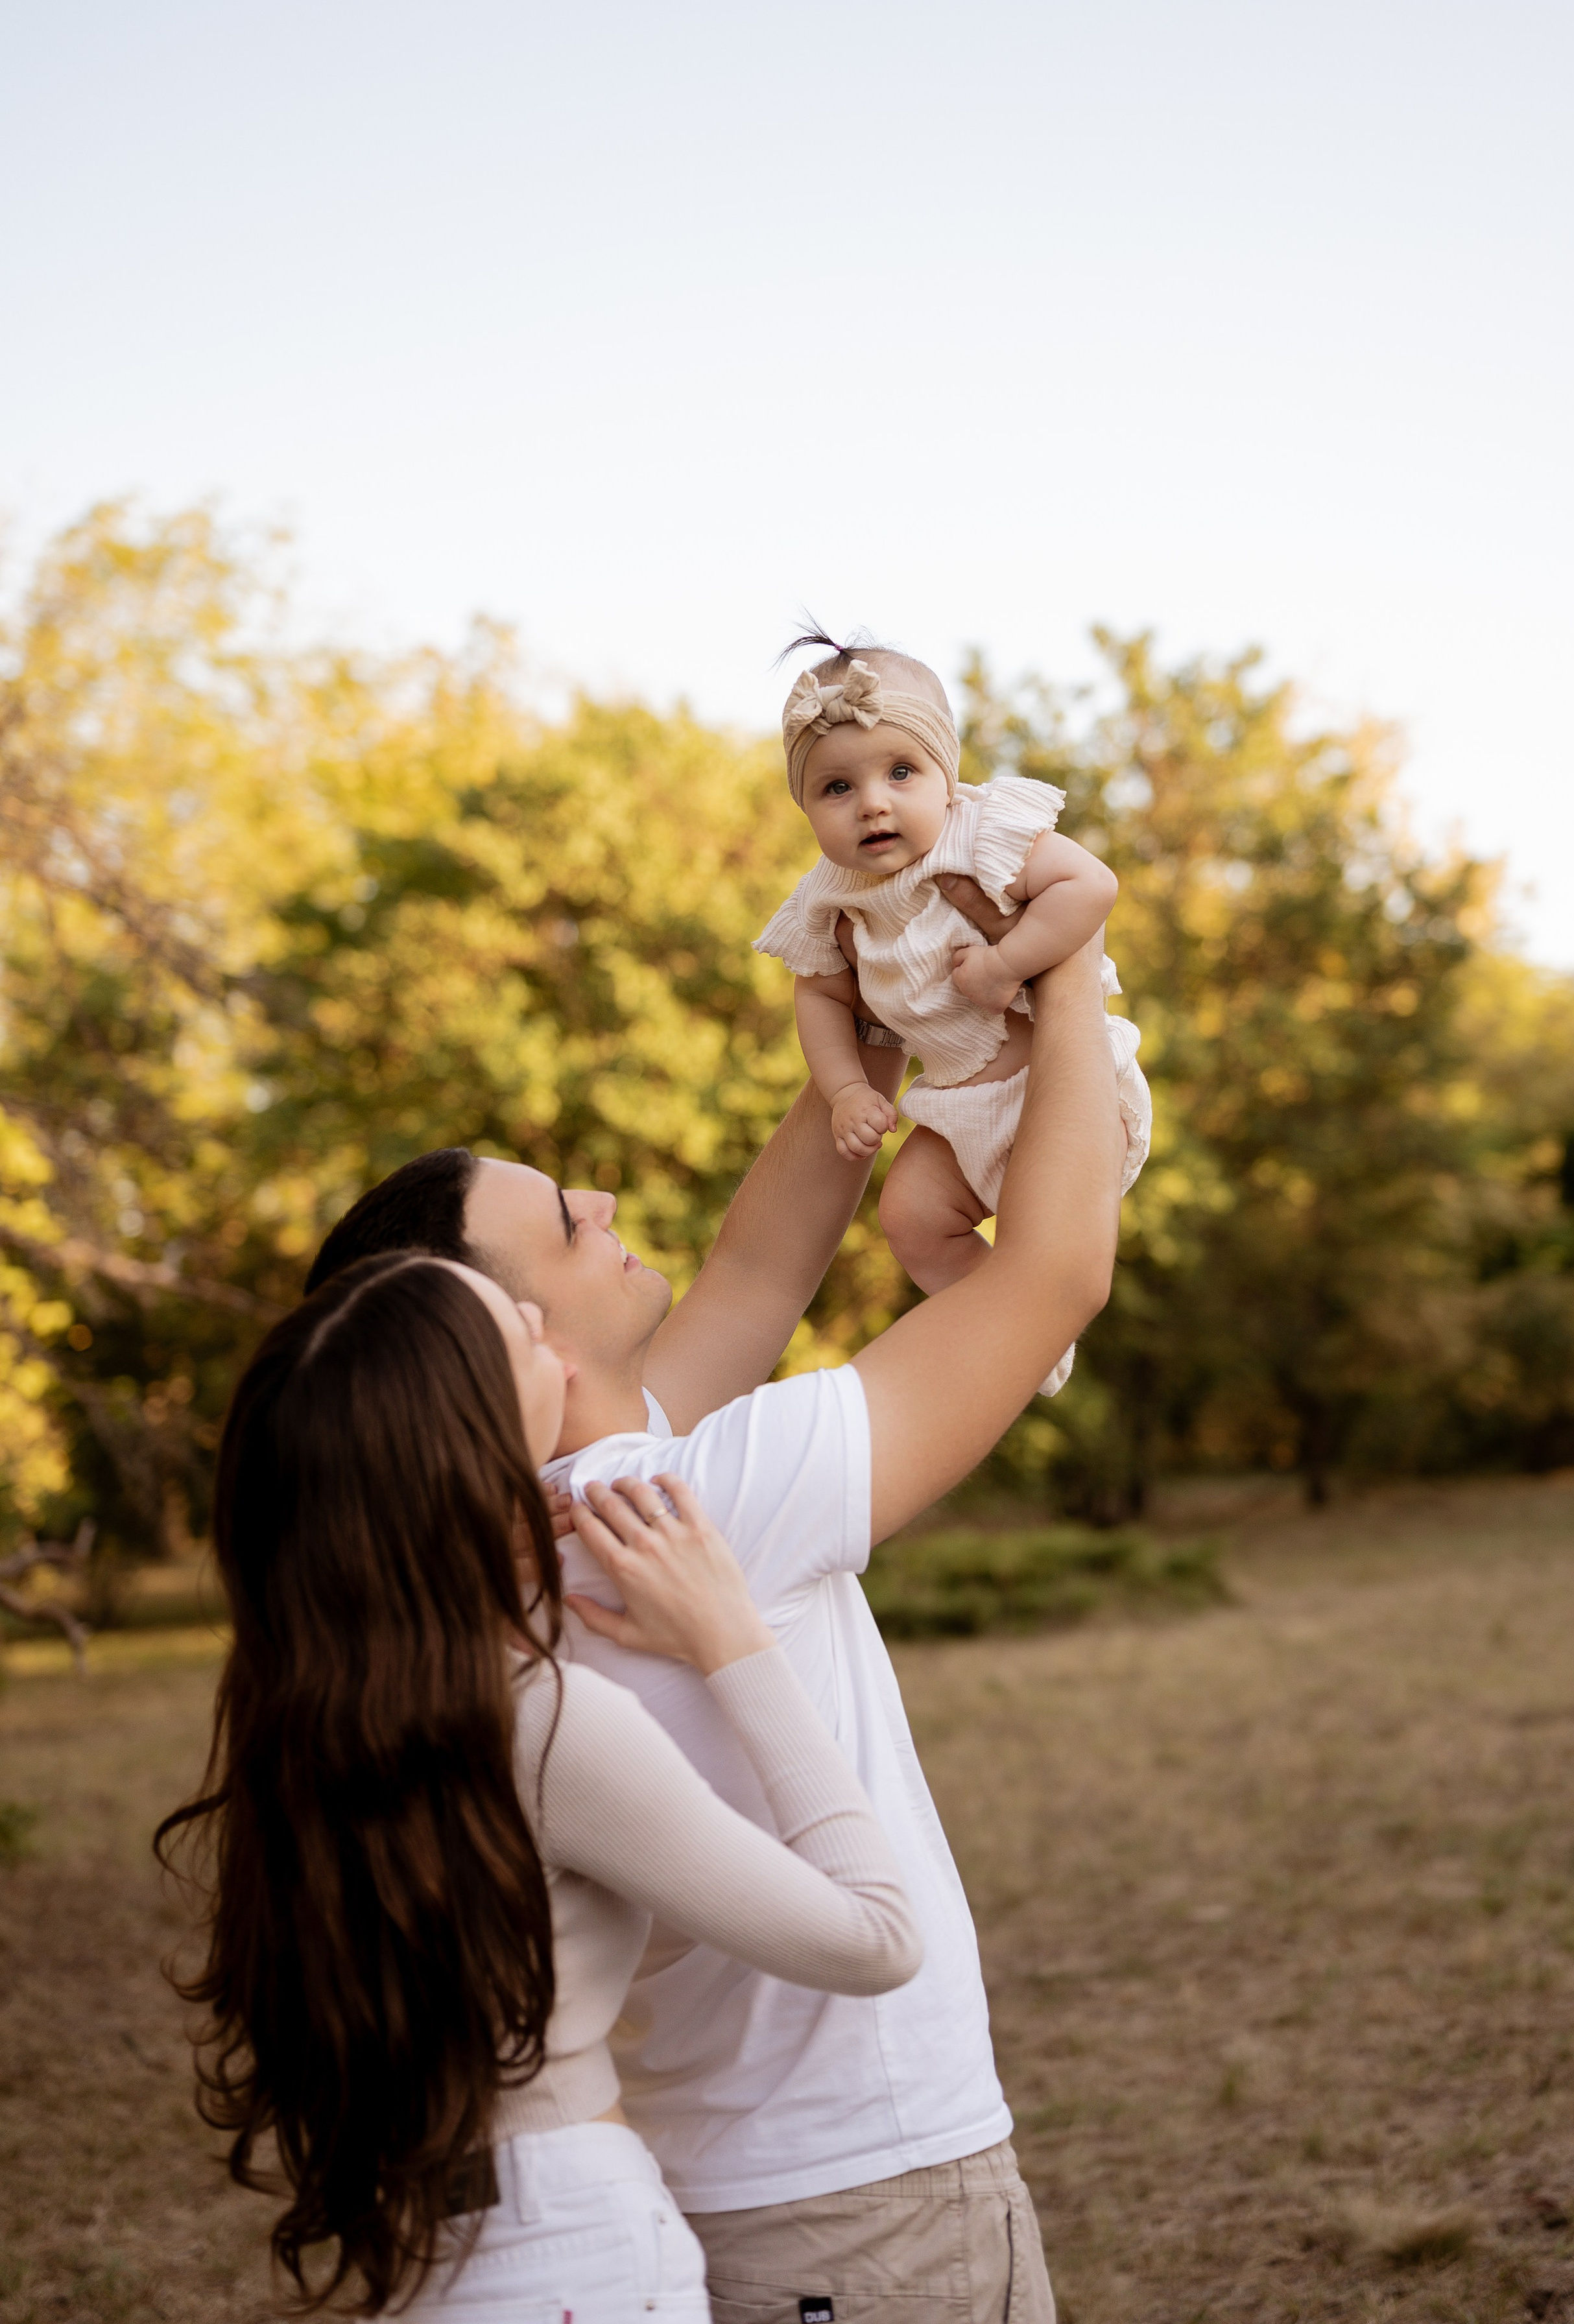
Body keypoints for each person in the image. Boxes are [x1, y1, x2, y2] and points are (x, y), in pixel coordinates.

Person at [304, 884, 1124, 2323]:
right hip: (868, 2196)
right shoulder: (704, 1502)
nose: (604, 1201)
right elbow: (1053, 1273)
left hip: (711, 2179)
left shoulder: (528, 1537)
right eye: (566, 1219)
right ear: (516, 1334)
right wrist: (1067, 974)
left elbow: (757, 1269)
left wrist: (881, 979)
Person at [158, 1250, 922, 2321]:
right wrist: (734, 1639)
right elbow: (878, 1937)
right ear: (470, 1433)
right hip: (575, 2251)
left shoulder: (304, 1716)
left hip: (434, 2246)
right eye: (515, 1328)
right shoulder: (544, 1720)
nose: (536, 1311)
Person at [756, 630, 1152, 1396]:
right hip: (955, 1107)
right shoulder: (826, 897)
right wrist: (844, 1089)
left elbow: (1091, 887)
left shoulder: (983, 835)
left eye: (900, 772)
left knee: (1051, 1242)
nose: (872, 802)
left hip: (1057, 1087)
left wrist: (1006, 963)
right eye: (835, 788)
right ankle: (1024, 1341)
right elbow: (821, 995)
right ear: (804, 806)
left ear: (947, 776)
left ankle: (1038, 1313)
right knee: (908, 1219)